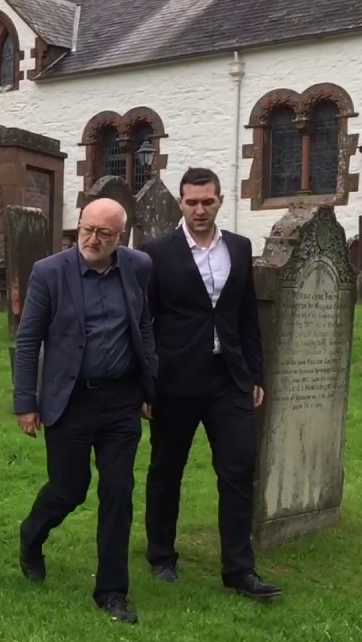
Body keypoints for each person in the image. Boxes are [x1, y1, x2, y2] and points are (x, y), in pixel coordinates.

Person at [12, 197, 158, 624]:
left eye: (104, 234)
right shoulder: (50, 273)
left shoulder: (138, 267)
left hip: (121, 401)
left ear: (121, 237)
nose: (92, 240)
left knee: (118, 492)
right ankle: (31, 536)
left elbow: (144, 325)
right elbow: (29, 340)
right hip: (71, 400)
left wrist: (151, 386)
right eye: (86, 230)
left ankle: (112, 592)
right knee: (69, 488)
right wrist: (26, 403)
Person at [141, 167, 282, 600]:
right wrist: (146, 385)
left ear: (220, 200)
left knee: (239, 470)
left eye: (208, 201)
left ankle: (239, 570)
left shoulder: (238, 248)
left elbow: (245, 316)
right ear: (180, 203)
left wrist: (255, 373)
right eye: (192, 202)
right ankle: (161, 556)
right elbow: (144, 322)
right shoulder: (156, 253)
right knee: (167, 470)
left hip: (229, 379)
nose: (200, 209)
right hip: (175, 381)